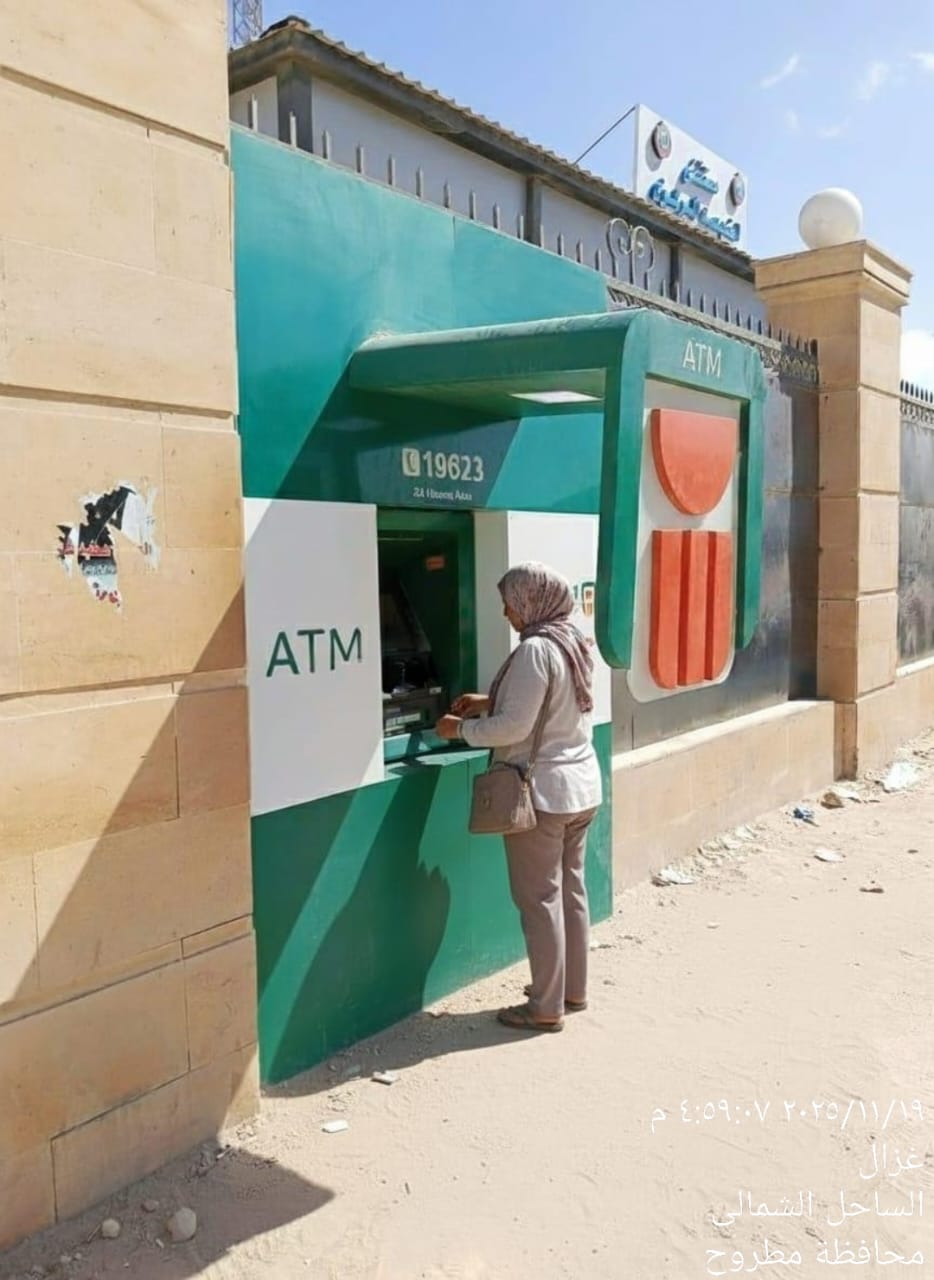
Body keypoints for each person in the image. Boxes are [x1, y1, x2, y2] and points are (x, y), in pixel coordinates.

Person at [435, 561, 603, 1033]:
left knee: (540, 900)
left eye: (509, 602)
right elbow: (552, 701)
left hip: (542, 794)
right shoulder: (571, 641)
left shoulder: (534, 649)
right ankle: (572, 991)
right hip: (581, 788)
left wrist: (459, 729)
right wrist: (488, 700)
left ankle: (545, 1007)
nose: (506, 612)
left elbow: (514, 727)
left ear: (531, 600)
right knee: (570, 892)